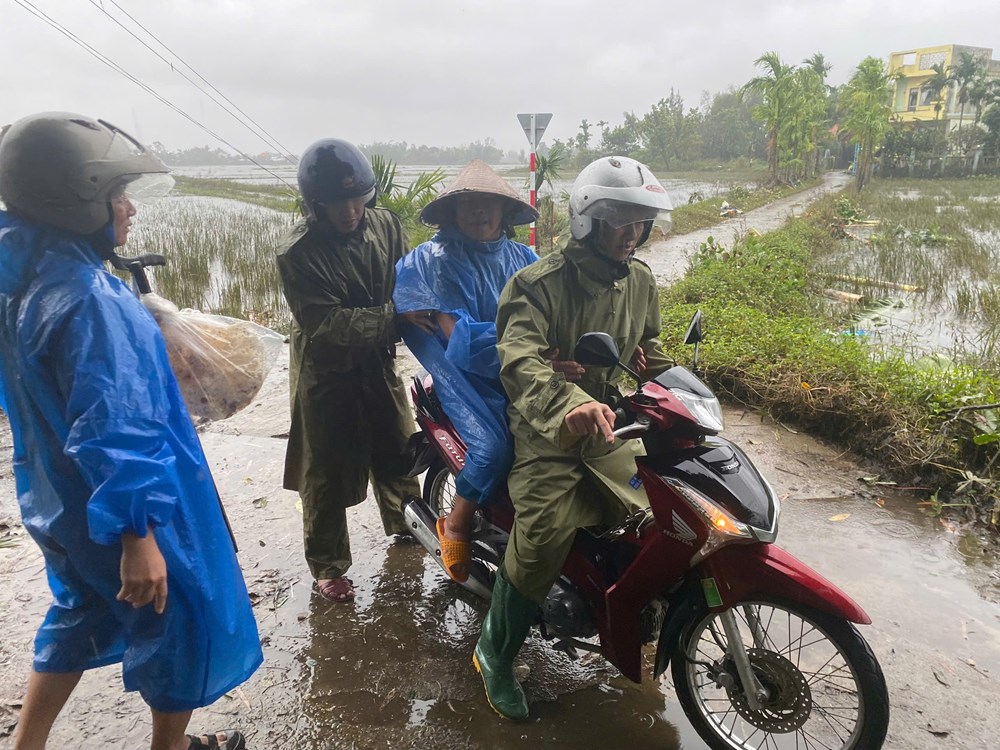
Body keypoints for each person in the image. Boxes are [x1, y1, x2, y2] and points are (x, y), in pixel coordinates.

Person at [0, 112, 262, 750]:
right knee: (182, 623)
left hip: (60, 501)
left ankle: (24, 744)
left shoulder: (24, 278)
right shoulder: (91, 298)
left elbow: (52, 394)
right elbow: (116, 426)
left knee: (80, 610)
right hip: (124, 513)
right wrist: (139, 536)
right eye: (118, 196)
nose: (129, 210)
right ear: (79, 202)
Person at [474, 156, 675, 720]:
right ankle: (495, 651)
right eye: (620, 220)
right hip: (548, 431)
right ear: (589, 219)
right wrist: (571, 404)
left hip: (613, 424)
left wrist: (684, 391)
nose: (632, 233)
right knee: (542, 539)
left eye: (640, 221)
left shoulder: (639, 280)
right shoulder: (537, 285)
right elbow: (520, 361)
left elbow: (649, 352)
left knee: (660, 514)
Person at [275, 138, 420, 604]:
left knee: (399, 444)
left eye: (358, 199)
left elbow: (413, 282)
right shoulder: (297, 252)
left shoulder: (387, 226)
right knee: (325, 470)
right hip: (326, 371)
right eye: (337, 204)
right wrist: (395, 318)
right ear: (315, 205)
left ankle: (408, 525)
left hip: (377, 362)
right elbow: (326, 324)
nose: (350, 211)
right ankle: (328, 565)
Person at [393, 160, 552, 583]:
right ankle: (458, 523)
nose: (479, 212)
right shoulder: (437, 261)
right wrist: (533, 349)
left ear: (504, 212)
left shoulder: (526, 257)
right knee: (494, 447)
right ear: (453, 213)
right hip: (460, 371)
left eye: (488, 204)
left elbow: (554, 309)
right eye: (470, 205)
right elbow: (459, 337)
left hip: (520, 361)